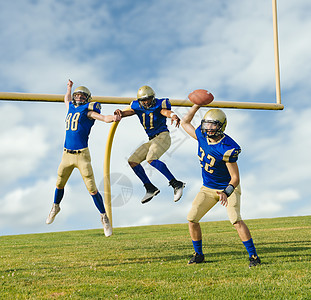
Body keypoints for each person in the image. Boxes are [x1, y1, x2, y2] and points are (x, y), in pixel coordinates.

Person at [181, 105, 261, 267]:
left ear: (221, 126)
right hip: (207, 187)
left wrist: (227, 192)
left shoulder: (227, 147)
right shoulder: (202, 136)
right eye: (207, 124)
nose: (209, 128)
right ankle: (199, 255)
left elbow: (235, 178)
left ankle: (254, 257)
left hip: (227, 188)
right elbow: (185, 123)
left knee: (236, 220)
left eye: (213, 125)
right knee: (192, 218)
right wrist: (196, 105)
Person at [46, 79, 121, 237]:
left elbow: (103, 117)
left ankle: (104, 217)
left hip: (82, 155)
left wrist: (113, 118)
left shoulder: (88, 112)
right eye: (77, 95)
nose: (79, 98)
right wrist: (69, 88)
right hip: (66, 154)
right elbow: (66, 99)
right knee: (59, 183)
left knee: (92, 189)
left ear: (87, 99)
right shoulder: (70, 107)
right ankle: (55, 206)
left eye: (82, 96)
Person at [114, 85, 185, 204]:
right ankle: (150, 188)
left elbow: (165, 111)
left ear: (153, 98)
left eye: (149, 99)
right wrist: (120, 112)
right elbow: (129, 112)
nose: (147, 102)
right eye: (144, 100)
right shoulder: (136, 106)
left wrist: (173, 115)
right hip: (152, 140)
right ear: (140, 101)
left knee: (151, 159)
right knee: (133, 161)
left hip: (163, 136)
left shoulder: (159, 104)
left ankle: (176, 184)